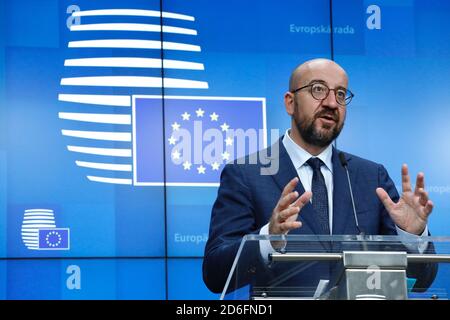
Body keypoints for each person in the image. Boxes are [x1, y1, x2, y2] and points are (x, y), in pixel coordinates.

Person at [203, 58, 436, 295]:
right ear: (290, 102)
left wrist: (412, 237)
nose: (332, 103)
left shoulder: (371, 177)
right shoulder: (246, 174)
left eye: (341, 94)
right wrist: (267, 239)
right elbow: (215, 274)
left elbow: (422, 281)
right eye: (318, 89)